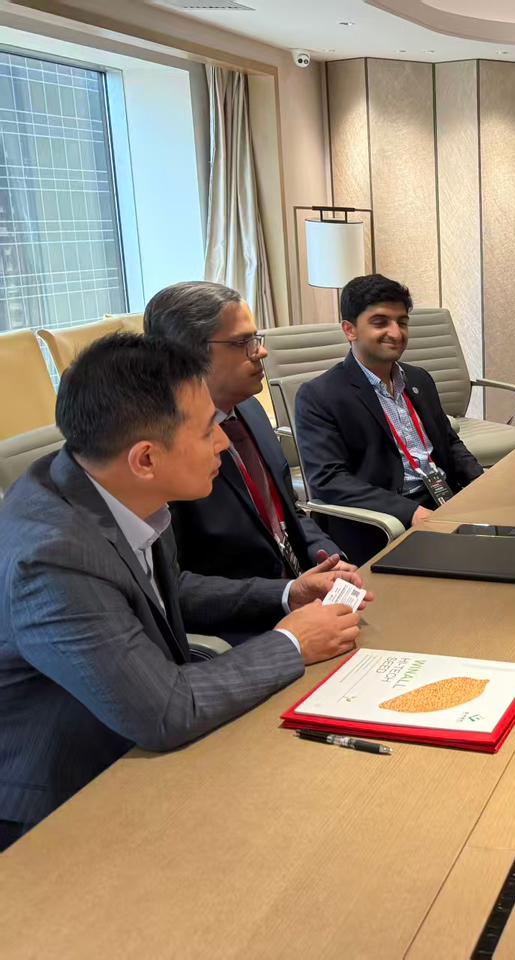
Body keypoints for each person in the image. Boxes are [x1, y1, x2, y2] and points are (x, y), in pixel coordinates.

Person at [0, 335, 368, 850]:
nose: (224, 443)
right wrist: (292, 642)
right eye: (208, 429)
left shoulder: (115, 486)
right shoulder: (53, 557)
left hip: (139, 745)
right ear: (146, 458)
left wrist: (287, 594)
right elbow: (164, 710)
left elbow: (164, 592)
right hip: (64, 800)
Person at [143, 281, 345, 584]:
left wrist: (329, 558)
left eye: (256, 338)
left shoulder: (250, 409)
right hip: (247, 609)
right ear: (187, 354)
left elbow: (288, 513)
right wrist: (285, 596)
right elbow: (172, 586)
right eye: (242, 342)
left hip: (302, 586)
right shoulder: (160, 450)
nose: (261, 351)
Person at [294, 274, 484, 564]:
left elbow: (449, 442)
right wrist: (410, 512)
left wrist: (483, 484)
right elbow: (329, 479)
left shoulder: (419, 379)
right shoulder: (319, 396)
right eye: (380, 322)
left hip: (442, 498)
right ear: (349, 330)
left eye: (402, 322)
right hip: (384, 519)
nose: (396, 333)